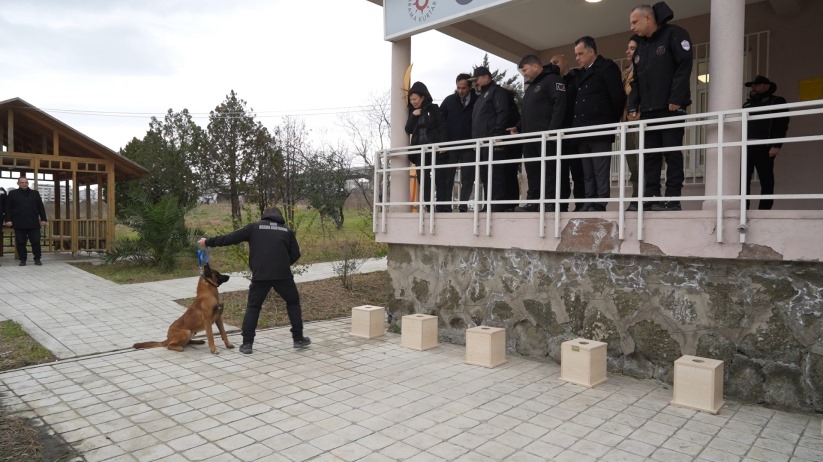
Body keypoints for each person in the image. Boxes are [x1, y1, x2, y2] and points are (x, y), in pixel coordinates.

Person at [198, 206, 309, 354]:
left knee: (253, 307)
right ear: (279, 217)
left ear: (265, 216)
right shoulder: (286, 231)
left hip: (260, 276)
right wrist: (282, 264)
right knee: (293, 302)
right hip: (283, 275)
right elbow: (295, 254)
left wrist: (208, 242)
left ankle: (247, 344)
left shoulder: (254, 227)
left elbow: (230, 238)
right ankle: (298, 339)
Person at [628, 2, 693, 211]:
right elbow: (636, 80)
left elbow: (684, 65)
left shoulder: (675, 34)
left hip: (671, 108)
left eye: (635, 22)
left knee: (672, 154)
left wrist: (677, 97)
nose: (632, 27)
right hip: (648, 111)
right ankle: (652, 197)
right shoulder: (642, 46)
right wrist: (633, 106)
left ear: (648, 18)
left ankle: (673, 199)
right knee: (650, 156)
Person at [573, 36, 625, 212]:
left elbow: (617, 97)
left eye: (580, 54)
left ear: (591, 51)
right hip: (582, 130)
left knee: (600, 170)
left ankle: (600, 202)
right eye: (576, 55)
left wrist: (609, 123)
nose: (577, 58)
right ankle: (588, 201)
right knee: (587, 172)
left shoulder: (607, 67)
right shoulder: (580, 73)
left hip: (600, 129)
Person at [509, 54, 566, 212]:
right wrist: (518, 127)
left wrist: (551, 133)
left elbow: (559, 106)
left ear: (535, 66)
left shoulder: (552, 80)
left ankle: (549, 203)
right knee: (533, 172)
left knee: (549, 171)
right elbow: (528, 112)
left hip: (546, 138)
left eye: (525, 70)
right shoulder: (531, 87)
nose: (524, 74)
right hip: (530, 139)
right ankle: (533, 202)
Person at [743, 75, 789, 210]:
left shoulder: (776, 101)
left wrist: (776, 145)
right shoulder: (748, 104)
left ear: (767, 86)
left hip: (765, 146)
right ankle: (743, 207)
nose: (754, 88)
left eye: (757, 85)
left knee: (766, 178)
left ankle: (765, 209)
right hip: (747, 146)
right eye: (752, 86)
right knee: (743, 179)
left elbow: (782, 124)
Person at [470, 66, 512, 212]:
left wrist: (497, 134)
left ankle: (497, 205)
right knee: (485, 175)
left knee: (496, 173)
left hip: (492, 140)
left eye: (477, 79)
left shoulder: (497, 92)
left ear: (486, 77)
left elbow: (502, 112)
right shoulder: (481, 96)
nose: (475, 83)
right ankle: (488, 203)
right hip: (481, 143)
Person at [549, 54, 586, 211]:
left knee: (578, 171)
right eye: (551, 63)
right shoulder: (551, 82)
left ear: (565, 62)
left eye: (556, 62)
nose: (554, 65)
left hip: (575, 131)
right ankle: (561, 205)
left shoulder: (577, 78)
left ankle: (581, 204)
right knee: (560, 172)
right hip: (558, 135)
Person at [404, 81, 447, 211]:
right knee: (423, 180)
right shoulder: (412, 112)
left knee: (440, 177)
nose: (413, 102)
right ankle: (428, 206)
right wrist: (413, 116)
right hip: (419, 152)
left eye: (415, 99)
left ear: (422, 97)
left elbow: (442, 126)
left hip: (434, 150)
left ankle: (441, 206)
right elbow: (408, 129)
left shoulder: (434, 109)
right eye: (411, 99)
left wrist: (443, 145)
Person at [440, 73, 478, 212]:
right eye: (458, 88)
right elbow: (440, 121)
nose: (461, 91)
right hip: (450, 146)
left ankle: (463, 204)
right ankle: (445, 205)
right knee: (447, 176)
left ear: (470, 87)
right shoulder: (448, 101)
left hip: (469, 146)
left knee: (468, 176)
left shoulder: (477, 100)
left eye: (464, 88)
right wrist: (442, 142)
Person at [3, 177, 48, 266]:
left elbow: (41, 207)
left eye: (26, 182)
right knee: (20, 242)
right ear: (18, 183)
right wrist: (8, 220)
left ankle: (37, 259)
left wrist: (43, 219)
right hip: (19, 223)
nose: (24, 184)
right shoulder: (12, 193)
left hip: (33, 223)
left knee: (35, 241)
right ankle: (23, 259)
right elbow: (7, 208)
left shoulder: (35, 193)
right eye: (22, 182)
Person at [622, 36, 641, 211]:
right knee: (632, 163)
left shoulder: (645, 70)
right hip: (627, 123)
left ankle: (641, 198)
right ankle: (635, 197)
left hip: (641, 122)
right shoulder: (626, 72)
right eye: (628, 48)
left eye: (632, 48)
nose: (628, 51)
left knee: (642, 162)